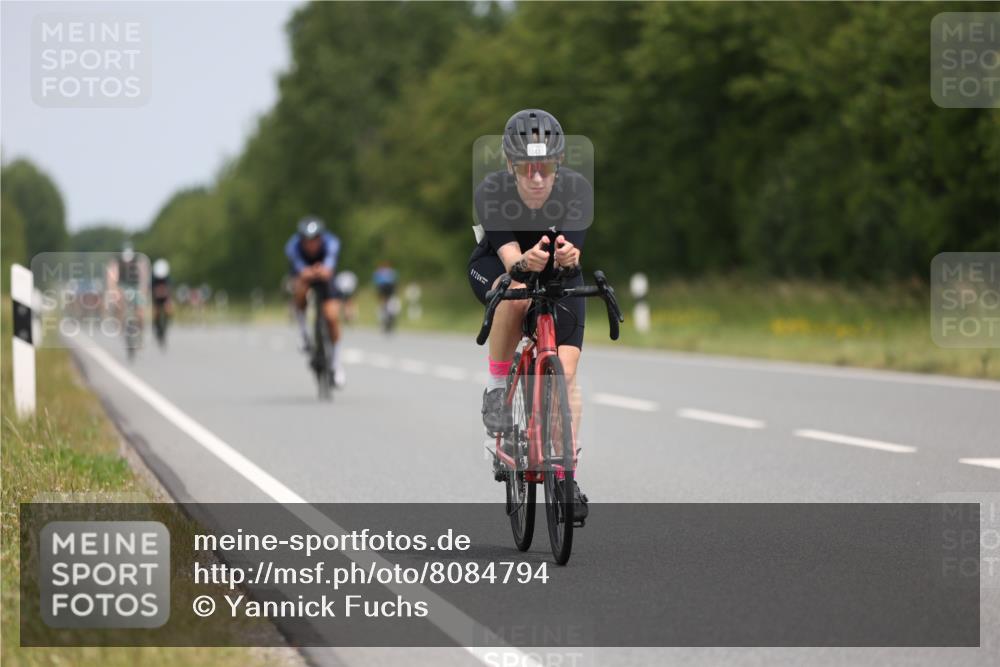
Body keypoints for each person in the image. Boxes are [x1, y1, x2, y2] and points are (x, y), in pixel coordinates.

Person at [466, 109, 593, 518]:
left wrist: (569, 257)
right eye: (525, 168)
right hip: (500, 265)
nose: (536, 178)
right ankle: (497, 389)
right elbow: (511, 261)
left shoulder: (576, 189)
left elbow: (572, 253)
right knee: (517, 293)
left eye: (545, 168)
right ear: (510, 166)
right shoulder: (492, 191)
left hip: (555, 271)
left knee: (566, 375)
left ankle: (567, 475)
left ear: (559, 163)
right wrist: (526, 262)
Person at [285, 216, 345, 386]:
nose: (311, 244)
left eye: (315, 240)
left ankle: (336, 365)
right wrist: (307, 272)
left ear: (321, 238)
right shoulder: (292, 246)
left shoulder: (332, 243)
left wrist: (323, 270)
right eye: (307, 241)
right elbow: (299, 268)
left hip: (325, 276)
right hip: (303, 275)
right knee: (299, 290)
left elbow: (329, 267)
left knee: (332, 316)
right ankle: (304, 334)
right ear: (301, 240)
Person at [372, 262, 400, 332]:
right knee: (389, 302)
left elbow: (376, 282)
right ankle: (388, 314)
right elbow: (396, 281)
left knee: (383, 303)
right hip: (389, 288)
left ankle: (385, 314)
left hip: (383, 288)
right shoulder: (392, 272)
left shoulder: (379, 272)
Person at [151, 258, 172, 347]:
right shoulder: (153, 279)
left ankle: (165, 326)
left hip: (165, 296)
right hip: (156, 297)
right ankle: (156, 326)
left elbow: (169, 290)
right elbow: (151, 290)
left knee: (168, 310)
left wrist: (168, 299)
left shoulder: (167, 278)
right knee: (156, 312)